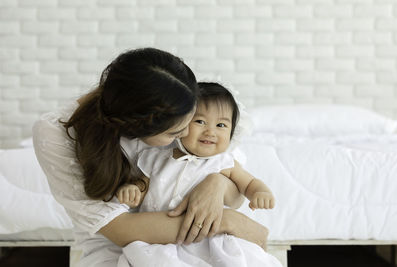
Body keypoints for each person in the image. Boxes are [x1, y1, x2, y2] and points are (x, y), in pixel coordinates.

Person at [32, 48, 273, 267]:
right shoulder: (55, 133)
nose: (188, 133)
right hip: (125, 247)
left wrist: (215, 183)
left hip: (198, 236)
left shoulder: (172, 98)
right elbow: (120, 229)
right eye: (175, 133)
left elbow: (230, 181)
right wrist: (227, 221)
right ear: (137, 129)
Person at [116, 82, 281, 266]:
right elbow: (143, 184)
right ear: (182, 124)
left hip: (208, 241)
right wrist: (133, 190)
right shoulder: (157, 157)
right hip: (159, 238)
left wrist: (261, 193)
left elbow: (249, 183)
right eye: (200, 121)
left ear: (232, 132)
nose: (210, 131)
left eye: (221, 125)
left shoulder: (223, 162)